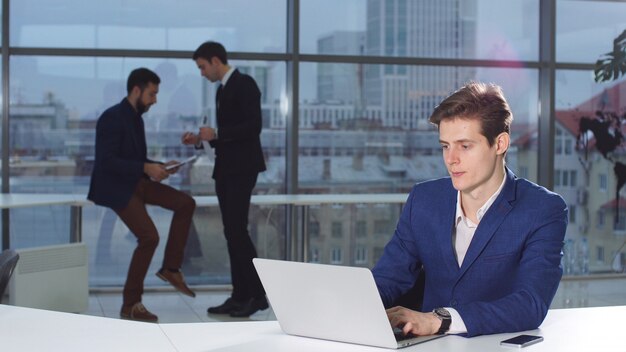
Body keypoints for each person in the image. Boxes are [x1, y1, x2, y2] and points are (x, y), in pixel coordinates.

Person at [372, 82, 568, 337]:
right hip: (425, 346)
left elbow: (530, 304)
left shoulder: (542, 210)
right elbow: (388, 279)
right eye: (445, 146)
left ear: (500, 144)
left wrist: (439, 320)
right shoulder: (424, 199)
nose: (451, 159)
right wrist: (352, 304)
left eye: (464, 146)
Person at [88, 67, 197, 322]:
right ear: (136, 90)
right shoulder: (111, 117)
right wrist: (145, 168)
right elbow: (106, 162)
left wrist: (158, 166)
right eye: (152, 94)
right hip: (115, 186)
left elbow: (135, 160)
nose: (155, 100)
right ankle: (131, 305)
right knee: (149, 237)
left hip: (135, 181)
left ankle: (171, 268)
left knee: (185, 203)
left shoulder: (136, 117)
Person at [181, 41, 268, 317]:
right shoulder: (222, 90)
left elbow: (253, 127)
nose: (202, 73)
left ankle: (257, 295)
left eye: (203, 67)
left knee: (237, 231)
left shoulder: (246, 84)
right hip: (227, 168)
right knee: (232, 233)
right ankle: (240, 294)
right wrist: (201, 140)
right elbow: (227, 136)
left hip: (242, 168)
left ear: (216, 60)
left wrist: (216, 133)